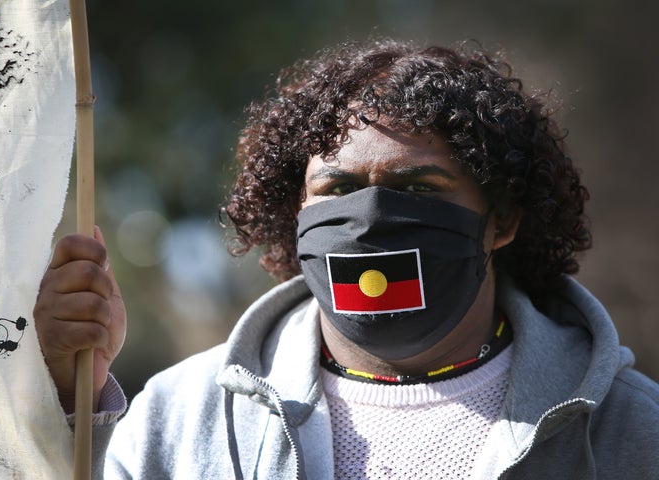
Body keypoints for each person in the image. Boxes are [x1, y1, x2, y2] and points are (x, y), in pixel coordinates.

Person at [34, 39, 659, 479]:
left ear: (503, 220)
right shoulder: (180, 418)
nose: (369, 218)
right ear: (295, 209)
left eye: (418, 190)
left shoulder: (631, 430)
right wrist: (67, 396)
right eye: (336, 189)